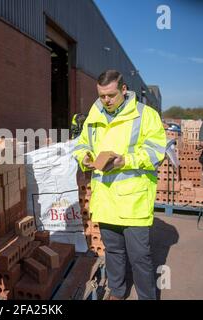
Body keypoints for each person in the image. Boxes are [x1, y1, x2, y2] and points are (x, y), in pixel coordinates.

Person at [73, 70, 166, 300]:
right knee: (113, 252)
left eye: (111, 95)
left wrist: (125, 160)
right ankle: (117, 291)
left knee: (139, 257)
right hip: (105, 200)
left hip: (133, 202)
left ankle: (147, 296)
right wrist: (84, 158)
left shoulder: (146, 115)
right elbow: (81, 144)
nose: (106, 100)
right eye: (102, 95)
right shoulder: (95, 114)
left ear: (124, 89)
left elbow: (156, 152)